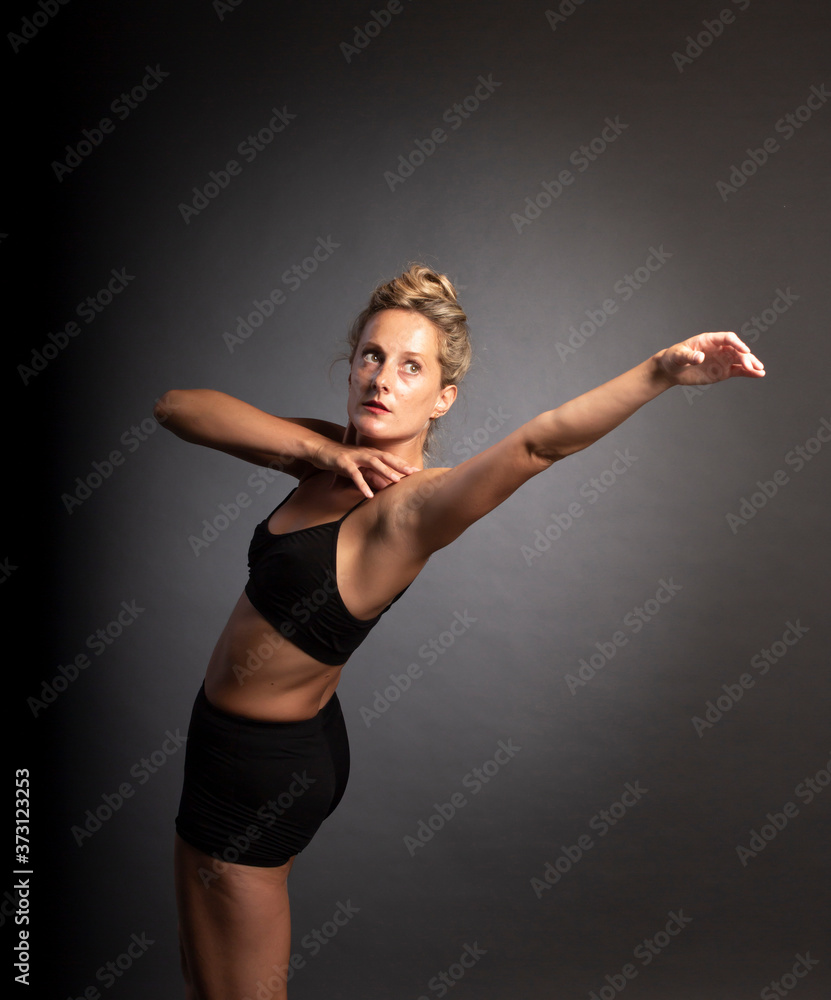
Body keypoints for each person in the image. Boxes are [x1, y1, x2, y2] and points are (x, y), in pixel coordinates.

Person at [156, 263, 765, 999]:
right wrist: (322, 450)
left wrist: (660, 370)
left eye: (411, 367)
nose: (383, 378)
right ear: (349, 367)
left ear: (442, 397)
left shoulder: (413, 509)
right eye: (371, 357)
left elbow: (539, 446)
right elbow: (177, 407)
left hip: (259, 774)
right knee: (202, 978)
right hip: (226, 743)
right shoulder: (331, 463)